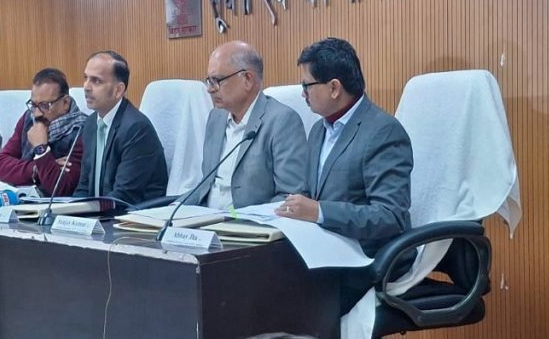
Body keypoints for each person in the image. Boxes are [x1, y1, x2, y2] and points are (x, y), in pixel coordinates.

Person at [275, 37, 414, 313]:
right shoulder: (318, 130)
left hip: (365, 261)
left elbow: (391, 216)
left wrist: (320, 212)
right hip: (324, 254)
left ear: (334, 88)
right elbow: (311, 193)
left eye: (307, 86)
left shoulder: (383, 132)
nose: (303, 94)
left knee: (285, 301)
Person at [181, 41, 308, 209]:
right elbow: (206, 185)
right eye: (209, 81)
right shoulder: (216, 117)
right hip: (204, 217)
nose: (210, 89)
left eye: (217, 80)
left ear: (247, 79)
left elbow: (289, 196)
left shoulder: (282, 121)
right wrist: (172, 208)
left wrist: (241, 219)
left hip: (247, 221)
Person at [73, 51, 168, 204]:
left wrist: (88, 212)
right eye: (86, 78)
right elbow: (84, 186)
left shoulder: (136, 129)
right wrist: (70, 211)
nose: (86, 87)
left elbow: (125, 195)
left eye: (96, 81)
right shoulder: (90, 124)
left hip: (133, 214)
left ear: (118, 90)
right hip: (101, 212)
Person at [0, 68, 87, 195]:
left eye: (45, 106)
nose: (37, 113)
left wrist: (41, 150)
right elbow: (1, 165)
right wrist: (35, 169)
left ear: (65, 103)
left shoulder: (82, 130)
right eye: (33, 105)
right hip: (20, 198)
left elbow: (62, 188)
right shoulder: (28, 118)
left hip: (53, 205)